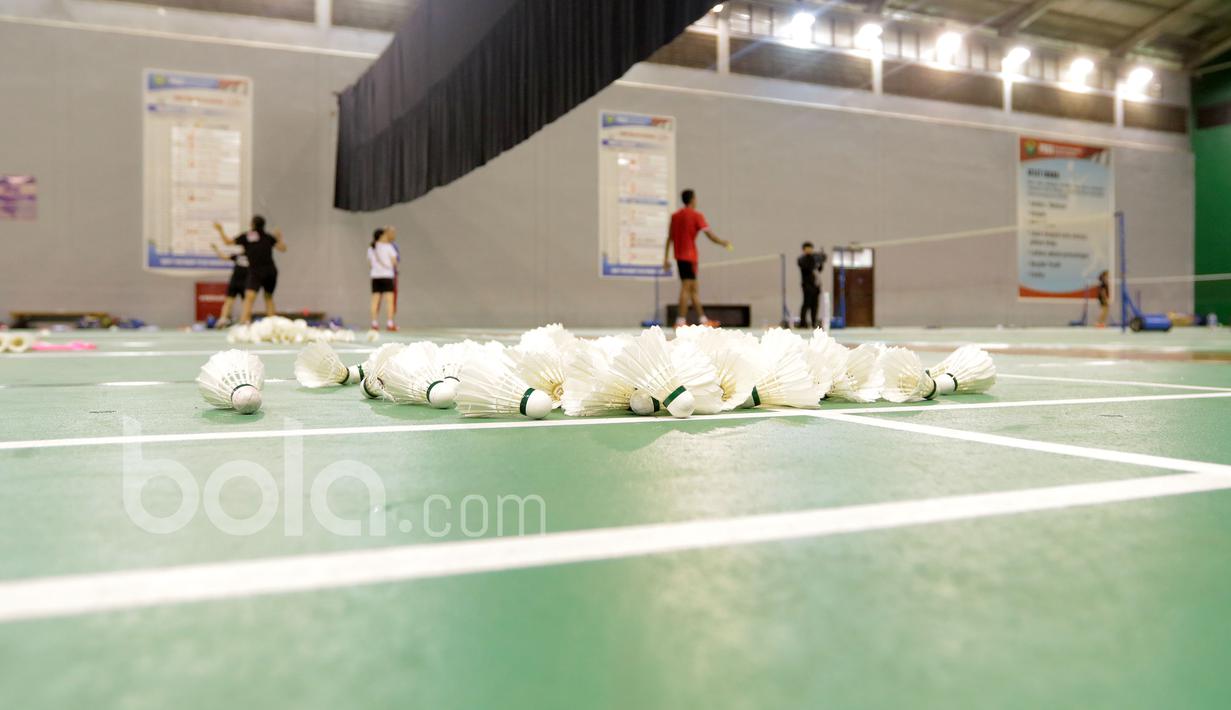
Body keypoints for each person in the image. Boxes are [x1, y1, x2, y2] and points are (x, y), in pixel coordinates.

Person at [662, 189, 732, 328]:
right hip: (689, 257)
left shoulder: (675, 216)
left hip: (680, 257)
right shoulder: (696, 215)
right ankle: (680, 321)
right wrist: (723, 242)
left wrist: (665, 258)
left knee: (693, 290)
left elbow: (669, 238)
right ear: (693, 199)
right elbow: (710, 235)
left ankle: (703, 320)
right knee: (686, 288)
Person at [214, 216, 286, 324]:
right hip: (271, 271)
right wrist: (279, 237)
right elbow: (283, 248)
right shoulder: (267, 236)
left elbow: (227, 242)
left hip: (256, 271)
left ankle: (244, 323)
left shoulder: (248, 236)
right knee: (268, 297)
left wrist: (220, 230)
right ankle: (272, 325)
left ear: (252, 224)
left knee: (249, 298)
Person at [208, 241, 249, 327]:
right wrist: (216, 250)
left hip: (246, 283)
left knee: (246, 303)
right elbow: (224, 257)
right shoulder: (237, 256)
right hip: (234, 282)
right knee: (228, 301)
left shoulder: (254, 257)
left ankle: (245, 321)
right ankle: (223, 320)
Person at [368, 226, 399, 331]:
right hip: (387, 276)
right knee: (389, 301)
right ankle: (390, 323)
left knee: (375, 301)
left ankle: (374, 323)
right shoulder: (389, 247)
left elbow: (369, 264)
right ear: (381, 236)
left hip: (375, 276)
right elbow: (395, 262)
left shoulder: (371, 248)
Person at [797, 241, 827, 329]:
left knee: (815, 305)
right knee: (806, 304)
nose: (810, 250)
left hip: (816, 285)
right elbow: (807, 266)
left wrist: (821, 261)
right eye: (808, 248)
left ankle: (814, 322)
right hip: (807, 286)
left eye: (811, 248)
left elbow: (820, 269)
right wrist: (816, 259)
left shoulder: (814, 258)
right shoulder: (802, 259)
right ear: (804, 249)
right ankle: (803, 323)